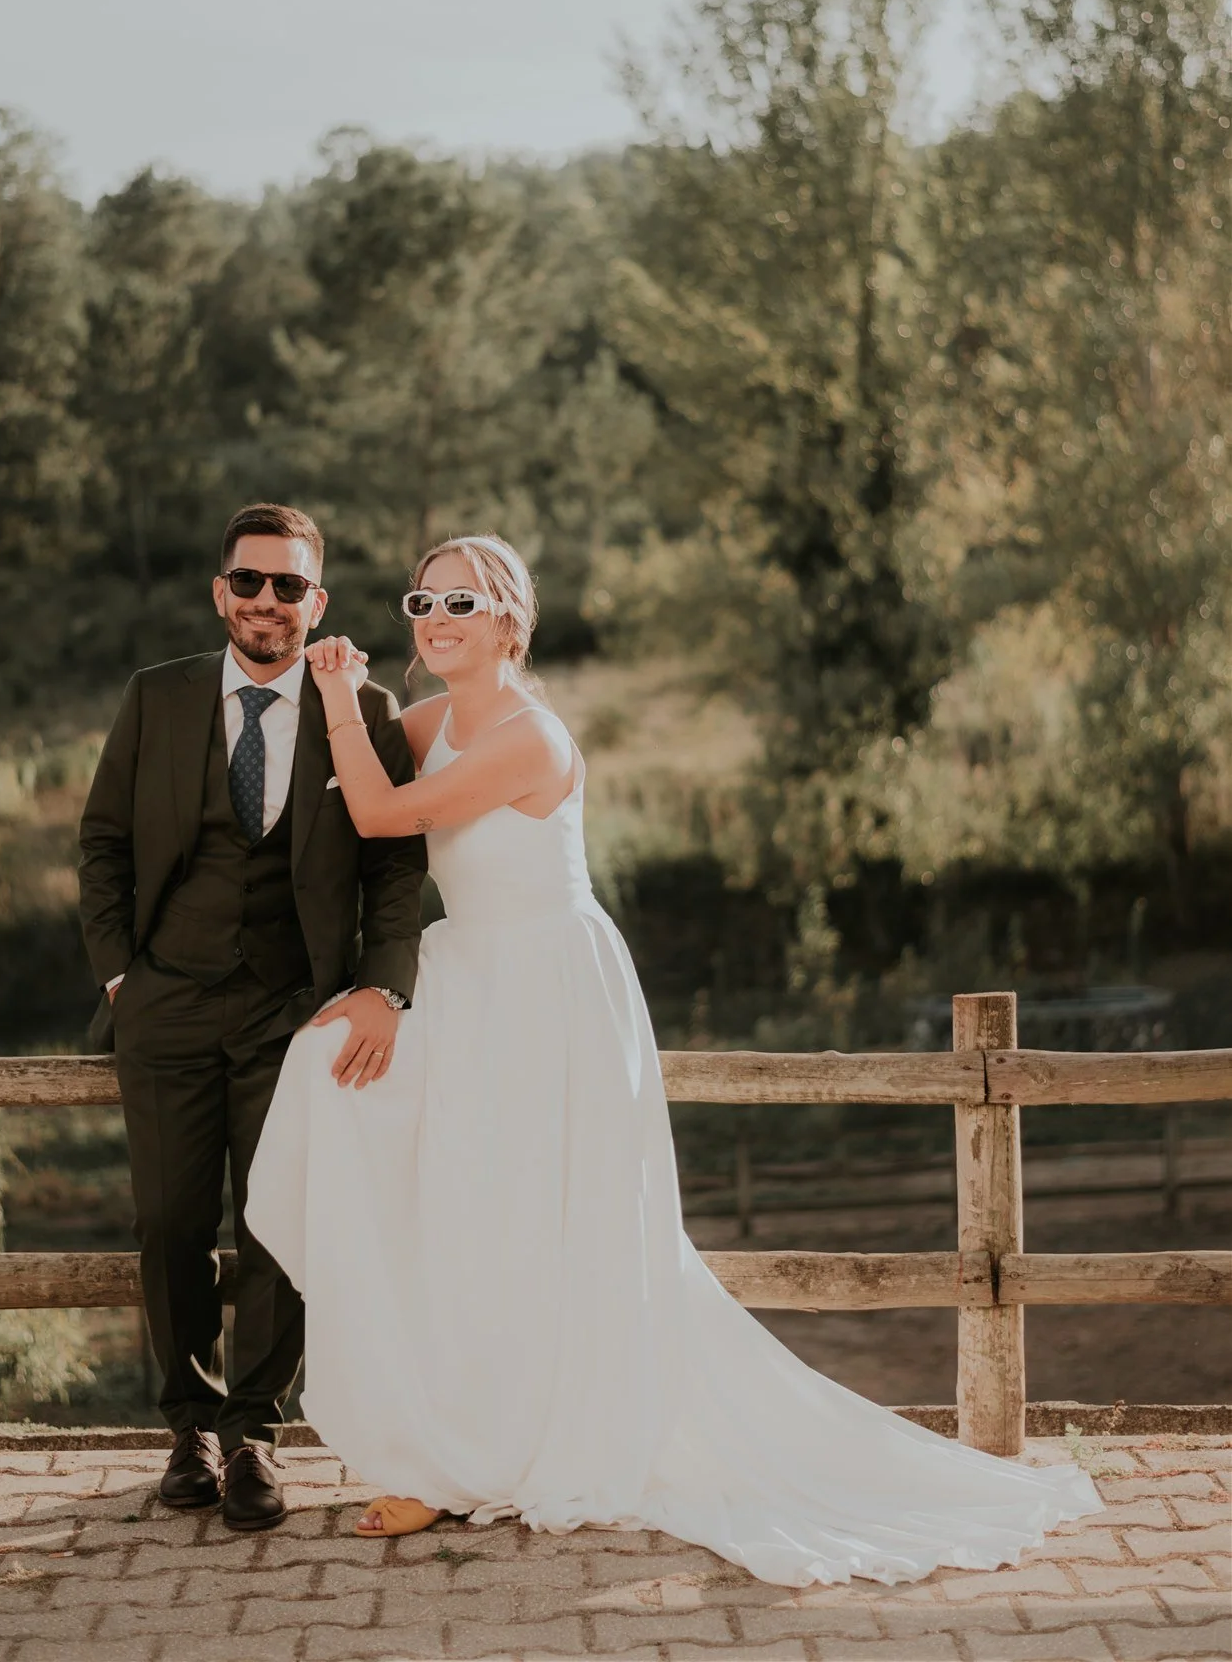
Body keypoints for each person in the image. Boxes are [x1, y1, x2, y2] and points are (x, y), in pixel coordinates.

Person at [246, 531, 1101, 1582]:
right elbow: (356, 795)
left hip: (547, 990)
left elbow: (379, 809)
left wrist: (334, 690)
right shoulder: (431, 719)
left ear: (511, 619)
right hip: (465, 972)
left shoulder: (531, 736)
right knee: (409, 1158)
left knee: (541, 1216)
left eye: (460, 603)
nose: (434, 619)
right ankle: (445, 1442)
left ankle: (509, 1443)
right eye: (422, 601)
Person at [78, 503, 426, 1531]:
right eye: (249, 581)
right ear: (219, 590)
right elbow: (101, 841)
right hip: (166, 1000)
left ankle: (253, 1435)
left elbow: (394, 865)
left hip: (294, 1011)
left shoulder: (356, 703)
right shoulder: (159, 696)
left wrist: (382, 984)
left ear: (318, 601)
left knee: (279, 1223)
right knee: (171, 1219)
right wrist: (117, 980)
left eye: (288, 585)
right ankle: (186, 1425)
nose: (266, 601)